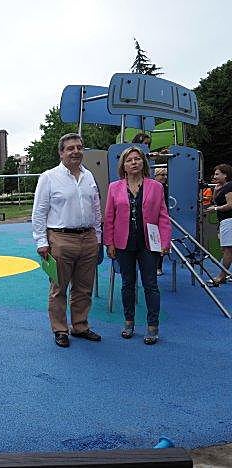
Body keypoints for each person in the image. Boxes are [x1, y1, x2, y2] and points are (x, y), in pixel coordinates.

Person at [31, 133, 102, 348]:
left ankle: (80, 326)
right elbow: (39, 212)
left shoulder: (89, 176)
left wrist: (98, 237)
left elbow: (96, 208)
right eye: (70, 148)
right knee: (59, 288)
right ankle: (60, 329)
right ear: (61, 153)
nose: (76, 151)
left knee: (84, 287)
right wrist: (41, 242)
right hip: (60, 239)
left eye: (79, 147)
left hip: (88, 238)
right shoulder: (49, 177)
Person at [104, 146, 171, 345]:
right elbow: (109, 218)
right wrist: (109, 242)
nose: (134, 162)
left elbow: (163, 216)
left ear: (143, 162)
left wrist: (165, 241)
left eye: (137, 159)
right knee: (127, 284)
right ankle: (129, 322)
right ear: (123, 166)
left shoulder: (156, 187)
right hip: (123, 243)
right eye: (129, 160)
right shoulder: (114, 187)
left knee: (151, 285)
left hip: (149, 243)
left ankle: (152, 325)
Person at [205, 164, 232, 287]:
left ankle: (222, 276)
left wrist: (215, 208)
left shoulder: (229, 187)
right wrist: (216, 189)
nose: (214, 176)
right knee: (226, 249)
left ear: (225, 175)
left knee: (227, 249)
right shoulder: (221, 187)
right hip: (224, 221)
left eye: (217, 174)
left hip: (229, 220)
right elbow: (216, 201)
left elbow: (230, 205)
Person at [154, 167, 169, 276]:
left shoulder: (167, 188)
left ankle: (159, 266)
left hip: (164, 217)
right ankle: (155, 266)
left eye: (165, 175)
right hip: (154, 219)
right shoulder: (153, 187)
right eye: (162, 175)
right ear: (156, 176)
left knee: (162, 243)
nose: (164, 177)